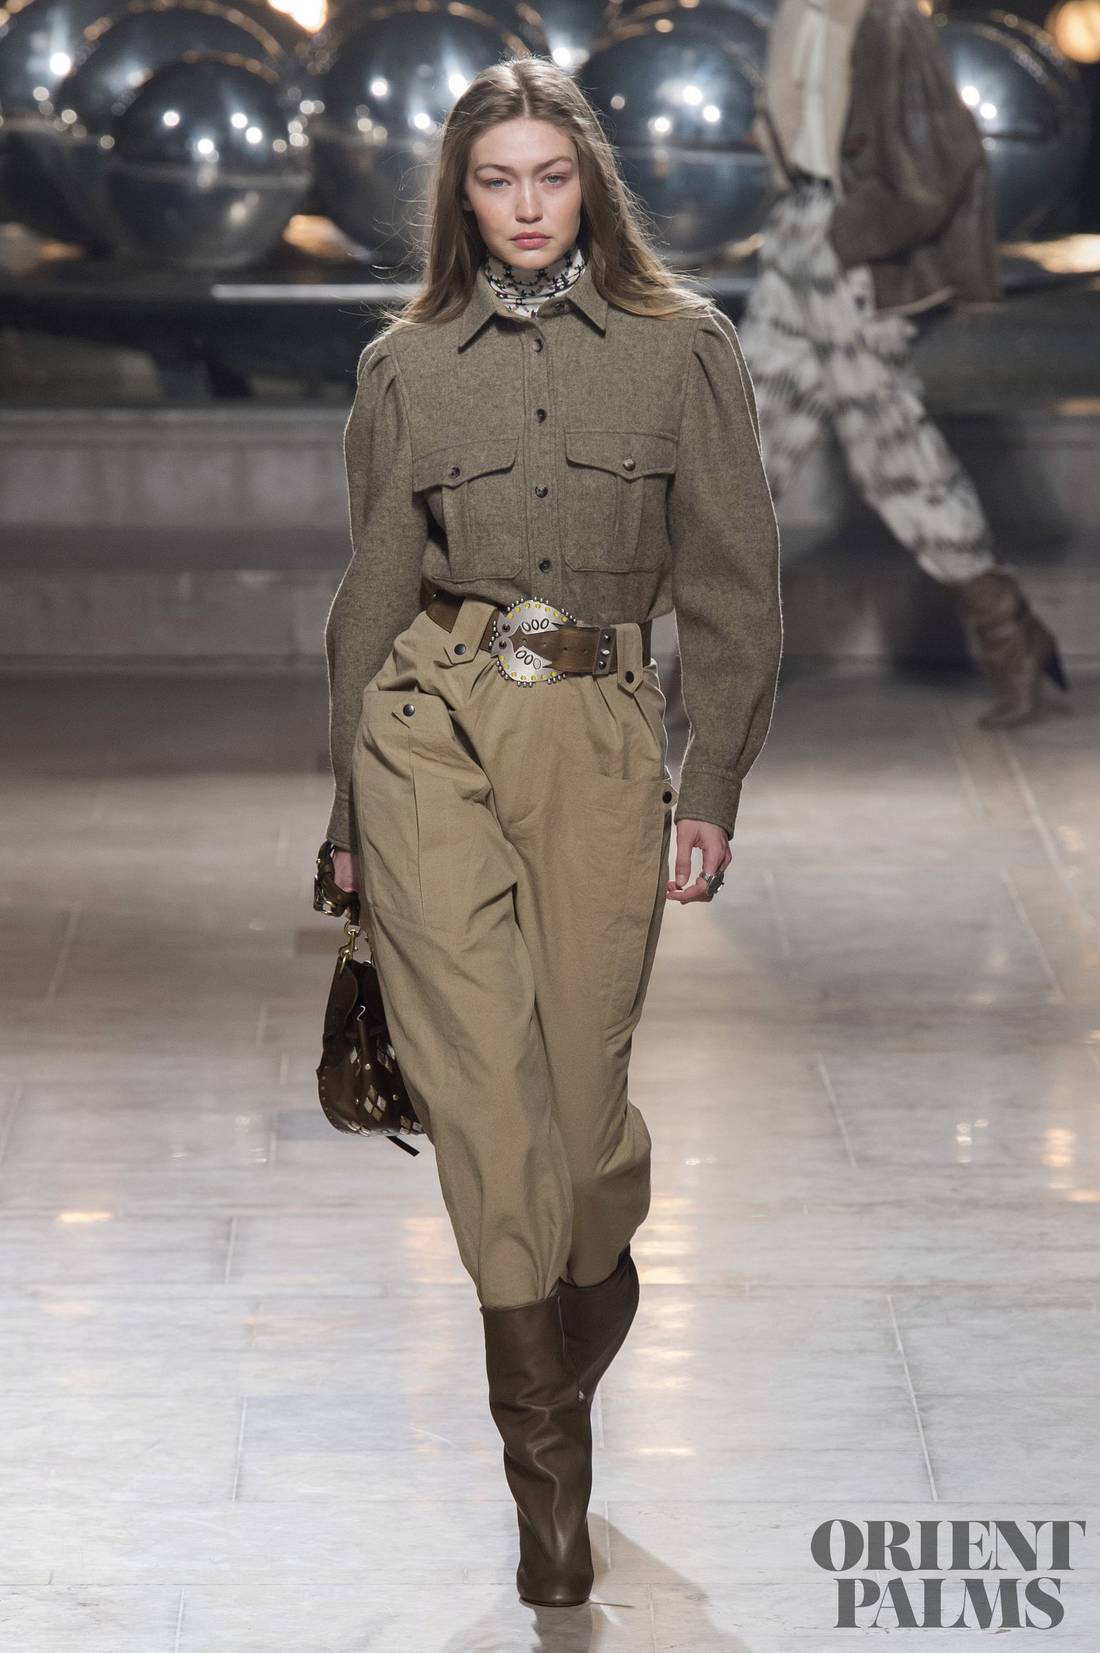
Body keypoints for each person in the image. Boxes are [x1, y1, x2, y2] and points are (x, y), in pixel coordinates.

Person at [319, 56, 782, 1607]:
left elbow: (736, 587)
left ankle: (573, 1340)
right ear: (460, 198)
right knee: (480, 1104)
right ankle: (548, 1488)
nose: (526, 207)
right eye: (495, 180)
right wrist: (347, 816)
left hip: (599, 727)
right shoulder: (406, 363)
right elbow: (372, 595)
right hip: (426, 726)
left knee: (582, 1127)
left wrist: (712, 786)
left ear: (592, 185)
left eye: (551, 176)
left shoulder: (680, 349)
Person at [741, 0, 1069, 727]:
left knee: (891, 453)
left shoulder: (887, 19)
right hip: (796, 236)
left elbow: (943, 161)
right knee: (742, 446)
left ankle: (1008, 633)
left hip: (850, 251)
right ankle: (699, 671)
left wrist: (851, 235)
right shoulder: (797, 12)